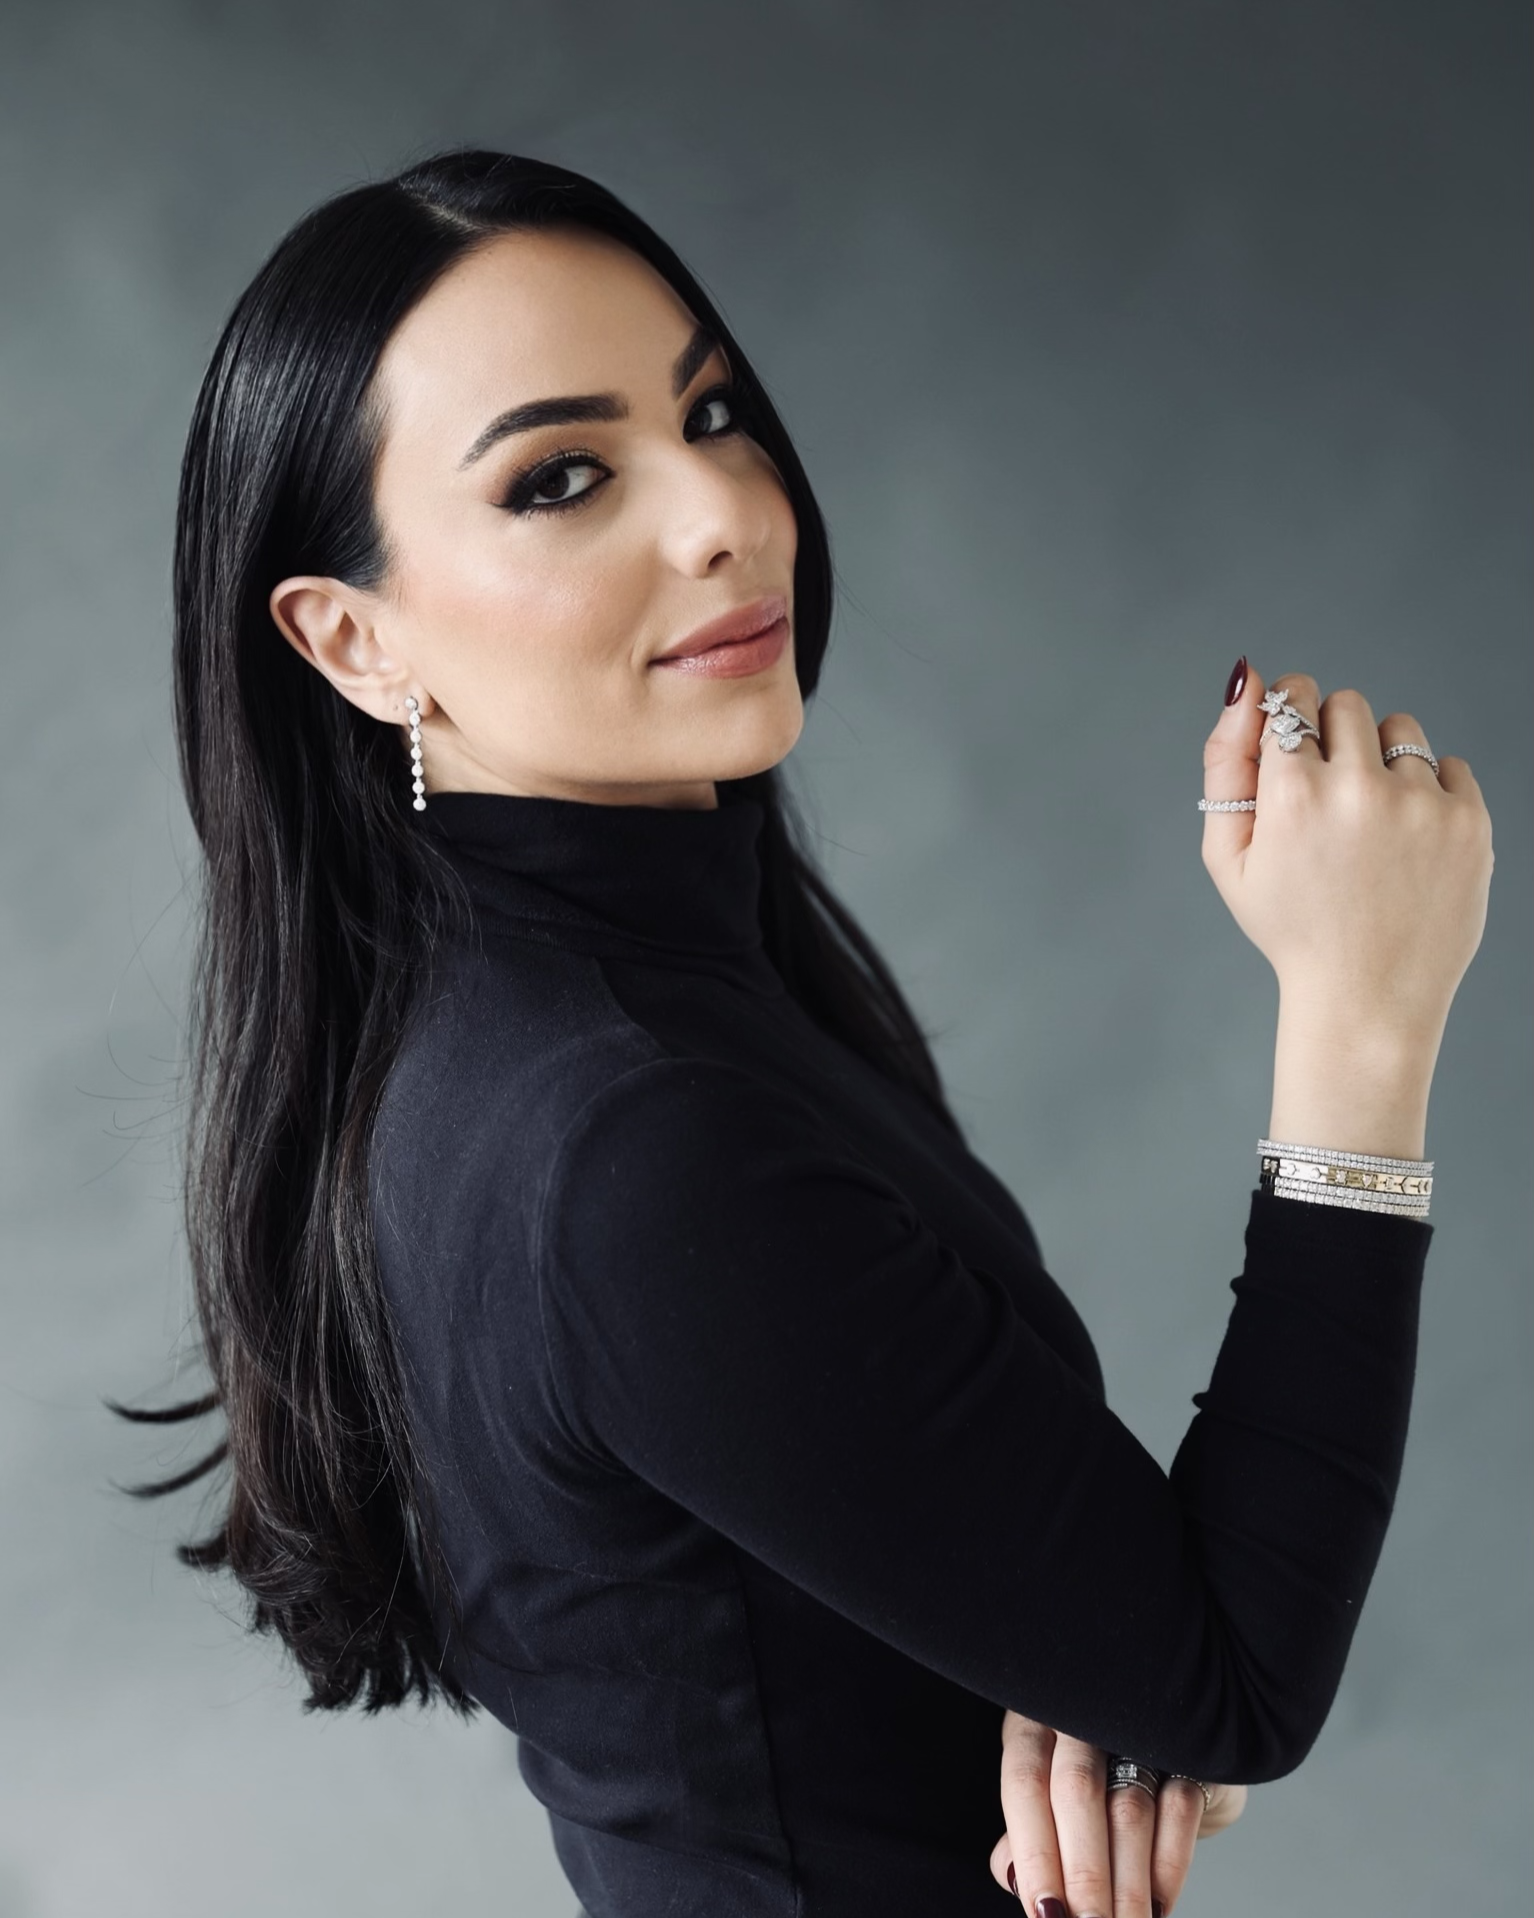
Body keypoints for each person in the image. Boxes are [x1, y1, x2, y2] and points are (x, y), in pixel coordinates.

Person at [121, 149, 1493, 1918]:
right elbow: (1232, 1670)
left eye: (708, 411)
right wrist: (1361, 1022)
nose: (720, 511)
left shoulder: (586, 996)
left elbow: (1036, 1592)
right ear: (352, 637)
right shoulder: (627, 1136)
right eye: (559, 477)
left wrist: (1103, 1672)